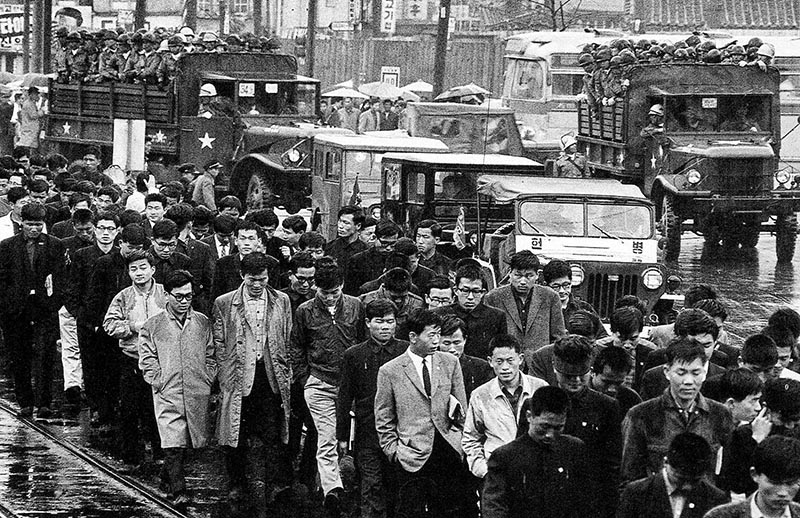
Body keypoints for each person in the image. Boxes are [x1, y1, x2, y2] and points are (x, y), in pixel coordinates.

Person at [212, 252, 294, 509]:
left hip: (270, 377)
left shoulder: (281, 300)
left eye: (262, 279)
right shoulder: (225, 303)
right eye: (252, 279)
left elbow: (287, 337)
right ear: (242, 276)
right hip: (238, 377)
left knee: (273, 434)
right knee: (235, 434)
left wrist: (287, 371)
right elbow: (219, 343)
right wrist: (225, 375)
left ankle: (274, 486)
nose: (257, 285)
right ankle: (237, 484)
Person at [374, 308, 474, 518]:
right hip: (411, 454)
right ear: (413, 337)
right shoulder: (390, 371)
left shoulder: (450, 363)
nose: (437, 340)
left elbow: (462, 409)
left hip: (447, 449)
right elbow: (384, 417)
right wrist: (394, 451)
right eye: (431, 335)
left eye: (438, 334)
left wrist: (458, 440)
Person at [290, 257, 365, 517]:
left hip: (351, 385)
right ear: (316, 288)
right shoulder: (305, 311)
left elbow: (363, 342)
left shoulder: (356, 306)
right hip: (319, 382)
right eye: (325, 293)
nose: (330, 298)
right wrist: (305, 379)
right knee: (326, 436)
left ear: (342, 285)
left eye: (334, 292)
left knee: (351, 437)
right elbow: (296, 346)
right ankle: (333, 489)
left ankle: (346, 484)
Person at [519, 333, 622, 517]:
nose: (576, 381)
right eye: (568, 376)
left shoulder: (606, 407)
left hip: (589, 503)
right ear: (555, 368)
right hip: (542, 502)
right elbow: (521, 454)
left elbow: (612, 466)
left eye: (582, 375)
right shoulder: (534, 405)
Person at [139, 270, 214, 505]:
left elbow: (212, 353)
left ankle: (167, 476)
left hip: (197, 389)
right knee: (173, 442)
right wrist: (157, 380)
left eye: (188, 296)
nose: (184, 302)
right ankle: (178, 490)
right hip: (167, 390)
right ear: (166, 295)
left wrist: (208, 376)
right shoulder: (153, 325)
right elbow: (147, 357)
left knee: (190, 441)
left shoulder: (202, 322)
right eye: (178, 296)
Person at [621, 338, 734, 484]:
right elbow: (629, 477)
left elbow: (728, 472)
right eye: (681, 373)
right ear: (667, 372)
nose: (688, 381)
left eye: (696, 373)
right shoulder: (641, 415)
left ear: (704, 372)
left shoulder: (720, 414)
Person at [337, 299, 408, 518]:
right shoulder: (354, 355)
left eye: (390, 321)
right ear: (368, 323)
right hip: (367, 431)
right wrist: (342, 436)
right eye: (379, 321)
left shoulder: (406, 350)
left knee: (399, 486)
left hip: (402, 431)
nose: (385, 327)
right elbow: (345, 397)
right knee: (371, 485)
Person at [481, 386, 589, 518]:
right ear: (529, 416)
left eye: (558, 428)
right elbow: (494, 506)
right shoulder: (505, 457)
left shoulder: (574, 449)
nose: (549, 435)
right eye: (544, 426)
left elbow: (586, 500)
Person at [0, 202, 65, 418]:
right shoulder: (7, 246)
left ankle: (44, 402)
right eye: (30, 224)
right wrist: (8, 304)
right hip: (16, 311)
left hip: (44, 310)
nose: (34, 229)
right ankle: (25, 401)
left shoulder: (54, 245)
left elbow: (60, 277)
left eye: (38, 224)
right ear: (22, 223)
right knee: (19, 356)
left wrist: (53, 303)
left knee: (45, 356)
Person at [102, 249, 165, 465]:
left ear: (152, 269)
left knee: (158, 409)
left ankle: (162, 454)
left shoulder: (165, 294)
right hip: (131, 358)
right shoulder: (123, 296)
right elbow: (109, 324)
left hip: (160, 360)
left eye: (143, 268)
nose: (139, 273)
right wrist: (132, 326)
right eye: (133, 269)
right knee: (129, 410)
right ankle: (131, 457)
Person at [462, 334, 548, 479]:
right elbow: (470, 439)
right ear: (490, 361)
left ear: (520, 359)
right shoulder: (480, 395)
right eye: (499, 361)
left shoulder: (540, 387)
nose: (505, 367)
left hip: (536, 471)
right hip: (497, 472)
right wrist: (484, 471)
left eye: (510, 360)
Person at [717, 377, 800, 499]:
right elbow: (736, 484)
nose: (790, 426)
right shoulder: (744, 435)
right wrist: (756, 442)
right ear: (767, 409)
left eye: (795, 420)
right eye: (785, 419)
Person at [617, 432, 730, 518]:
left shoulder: (716, 499)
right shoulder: (637, 493)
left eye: (695, 480)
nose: (687, 486)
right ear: (665, 462)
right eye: (681, 478)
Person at [484, 251, 565, 368]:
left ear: (537, 275)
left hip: (541, 364)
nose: (523, 281)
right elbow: (489, 338)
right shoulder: (493, 297)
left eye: (529, 276)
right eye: (518, 275)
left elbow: (558, 336)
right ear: (510, 273)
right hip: (506, 364)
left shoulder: (550, 297)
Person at [705, 436, 800, 518]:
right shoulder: (720, 516)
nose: (783, 493)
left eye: (791, 483)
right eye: (775, 483)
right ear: (754, 474)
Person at [436, 263, 508, 359]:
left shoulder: (496, 317)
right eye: (465, 290)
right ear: (456, 290)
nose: (470, 297)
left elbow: (501, 351)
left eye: (476, 291)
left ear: (483, 293)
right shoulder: (439, 314)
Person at [541, 258, 607, 339]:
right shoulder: (541, 309)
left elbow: (602, 336)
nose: (562, 291)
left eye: (566, 285)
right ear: (546, 285)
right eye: (556, 286)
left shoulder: (584, 307)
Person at [594, 306, 656, 392]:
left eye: (633, 339)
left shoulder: (650, 351)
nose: (627, 345)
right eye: (621, 339)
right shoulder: (599, 348)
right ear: (612, 332)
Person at [360, 267, 424, 341]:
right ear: (384, 288)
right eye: (394, 297)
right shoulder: (365, 302)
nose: (398, 301)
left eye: (403, 297)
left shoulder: (417, 303)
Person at [344, 219, 401, 295]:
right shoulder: (357, 261)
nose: (388, 248)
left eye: (393, 244)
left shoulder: (400, 259)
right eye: (384, 243)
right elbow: (350, 292)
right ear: (375, 238)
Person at [589, 346, 643, 418]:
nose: (612, 389)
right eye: (606, 382)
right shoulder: (578, 397)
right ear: (592, 373)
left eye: (618, 383)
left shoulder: (631, 399)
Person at [17, 87, 45, 154]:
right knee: (28, 146)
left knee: (31, 145)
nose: (38, 96)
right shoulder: (29, 104)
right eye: (36, 94)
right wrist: (41, 112)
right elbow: (33, 116)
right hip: (29, 129)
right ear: (31, 95)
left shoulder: (31, 103)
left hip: (31, 128)